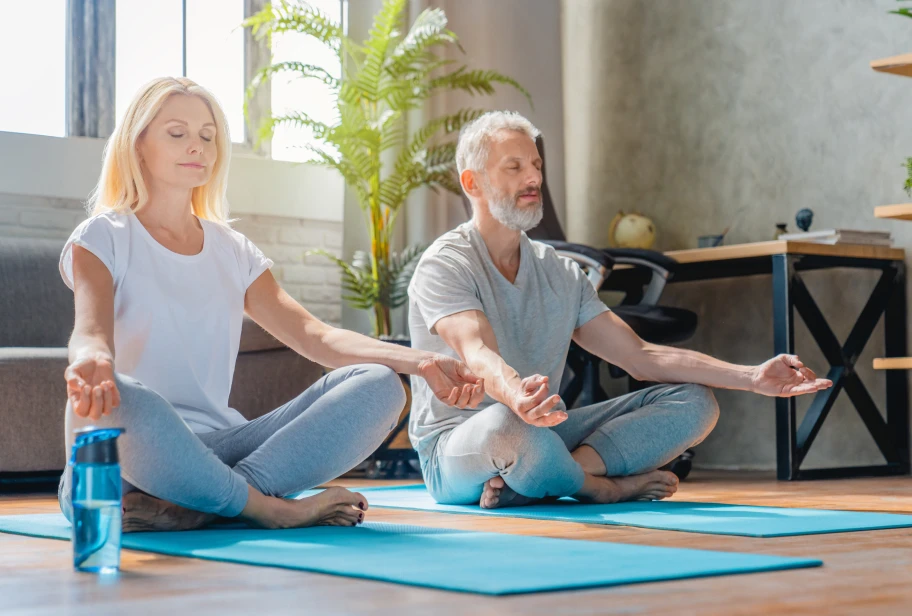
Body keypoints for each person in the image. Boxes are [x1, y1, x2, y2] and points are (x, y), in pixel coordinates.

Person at [59, 77, 485, 532]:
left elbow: (315, 337)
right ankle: (269, 507)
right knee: (115, 400)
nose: (197, 146)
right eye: (177, 132)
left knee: (379, 385)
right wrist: (92, 359)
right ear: (138, 143)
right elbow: (91, 330)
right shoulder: (104, 236)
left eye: (208, 135)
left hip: (219, 448)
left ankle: (209, 503)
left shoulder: (232, 249)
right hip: (131, 457)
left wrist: (420, 362)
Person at [407, 111, 832, 509]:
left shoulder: (561, 273)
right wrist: (518, 396)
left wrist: (752, 377)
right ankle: (598, 488)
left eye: (536, 164)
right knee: (506, 425)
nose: (534, 176)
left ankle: (544, 478)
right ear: (473, 182)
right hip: (460, 447)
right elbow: (479, 353)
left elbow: (640, 357)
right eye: (514, 167)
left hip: (543, 433)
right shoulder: (447, 263)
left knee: (696, 402)